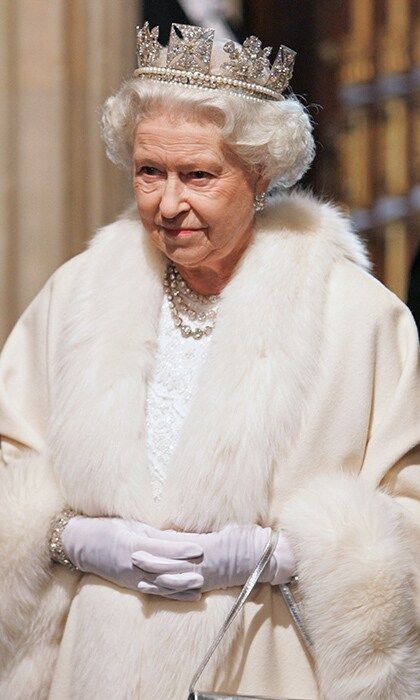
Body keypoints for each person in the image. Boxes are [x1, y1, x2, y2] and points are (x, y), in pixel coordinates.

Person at [0, 22, 419, 700]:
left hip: (261, 667)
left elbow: (411, 511)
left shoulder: (359, 320)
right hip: (90, 674)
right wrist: (66, 536)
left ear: (258, 177)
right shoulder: (75, 297)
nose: (168, 204)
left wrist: (287, 555)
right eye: (149, 172)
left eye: (198, 175)